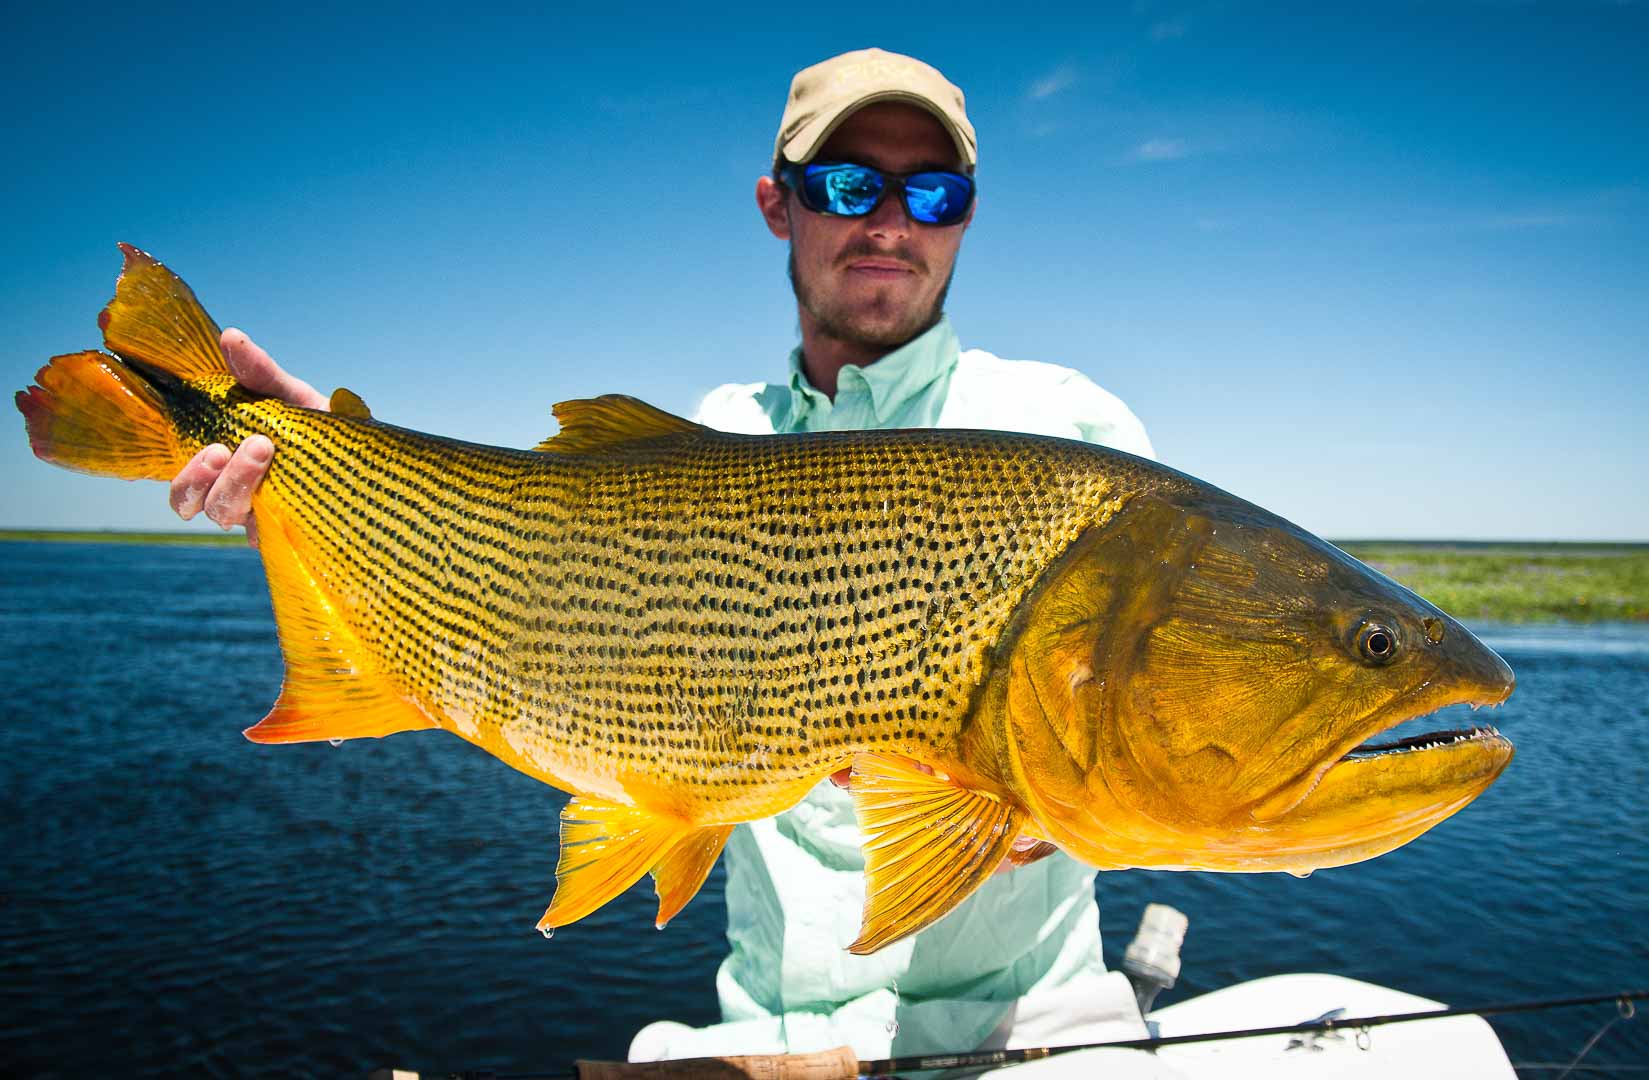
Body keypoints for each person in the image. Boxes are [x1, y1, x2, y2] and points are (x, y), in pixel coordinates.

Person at [164, 46, 1156, 1065]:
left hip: (1030, 1034)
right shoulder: (710, 435)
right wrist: (332, 483)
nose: (890, 225)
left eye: (933, 192)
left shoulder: (1067, 432)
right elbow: (528, 605)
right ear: (778, 204)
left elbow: (1146, 737)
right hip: (751, 1038)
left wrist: (1013, 811)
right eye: (850, 184)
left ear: (966, 216)